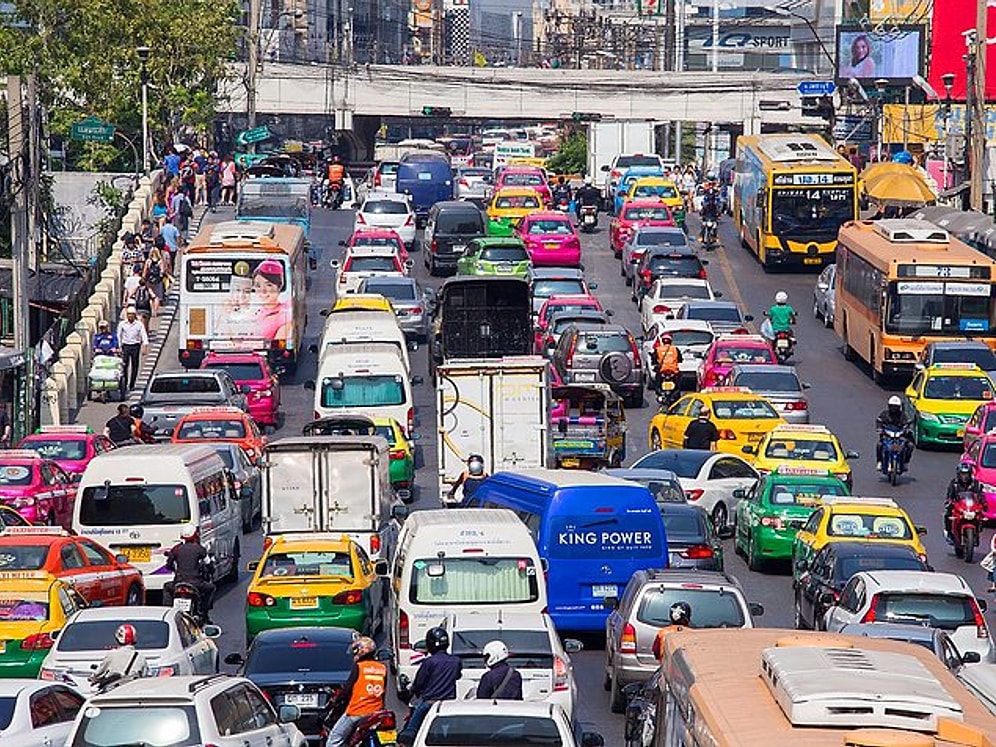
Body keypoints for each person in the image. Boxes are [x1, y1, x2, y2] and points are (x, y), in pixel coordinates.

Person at [398, 626, 462, 743]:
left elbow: (419, 683)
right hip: (449, 703)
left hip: (428, 702)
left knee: (410, 731)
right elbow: (458, 676)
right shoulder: (456, 661)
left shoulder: (429, 662)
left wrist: (412, 692)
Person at [325, 636, 388, 747]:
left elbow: (347, 690)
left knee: (334, 738)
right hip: (376, 712)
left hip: (357, 711)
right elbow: (383, 693)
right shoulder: (382, 668)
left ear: (361, 651)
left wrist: (337, 700)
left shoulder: (359, 667)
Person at [163, 524, 216, 622]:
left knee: (167, 587)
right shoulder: (200, 549)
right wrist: (212, 570)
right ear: (195, 535)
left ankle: (167, 611)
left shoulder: (176, 549)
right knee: (211, 588)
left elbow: (168, 564)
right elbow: (208, 564)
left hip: (178, 583)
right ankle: (204, 613)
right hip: (196, 583)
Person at [88, 624, 148, 689]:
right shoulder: (140, 657)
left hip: (113, 690)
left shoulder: (112, 654)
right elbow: (145, 675)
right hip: (133, 690)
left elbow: (99, 673)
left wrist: (92, 678)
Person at [944, 463, 987, 544]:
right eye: (963, 474)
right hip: (958, 507)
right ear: (959, 474)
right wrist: (949, 502)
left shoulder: (975, 483)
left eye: (966, 474)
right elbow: (949, 495)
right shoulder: (954, 484)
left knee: (982, 517)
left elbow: (980, 495)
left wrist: (984, 503)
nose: (965, 476)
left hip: (971, 507)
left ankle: (977, 533)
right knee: (947, 515)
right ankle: (949, 532)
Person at [251, 259, 293, 339]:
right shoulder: (255, 311)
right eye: (258, 286)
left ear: (279, 286)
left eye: (269, 285)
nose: (263, 291)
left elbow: (279, 347)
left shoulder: (284, 315)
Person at [875, 395, 913, 471]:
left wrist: (907, 429)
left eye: (896, 407)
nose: (894, 409)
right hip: (887, 436)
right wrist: (880, 429)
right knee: (879, 445)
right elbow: (879, 421)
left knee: (910, 446)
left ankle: (905, 462)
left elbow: (908, 422)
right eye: (892, 406)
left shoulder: (903, 415)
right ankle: (879, 462)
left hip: (900, 436)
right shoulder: (884, 414)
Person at [117, 306, 148, 391]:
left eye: (132, 315)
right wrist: (119, 346)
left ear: (135, 315)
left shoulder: (139, 324)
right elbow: (119, 335)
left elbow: (143, 334)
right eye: (129, 314)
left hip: (135, 346)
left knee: (135, 365)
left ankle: (132, 384)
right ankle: (125, 383)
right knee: (125, 365)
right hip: (125, 346)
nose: (130, 316)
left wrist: (145, 346)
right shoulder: (122, 324)